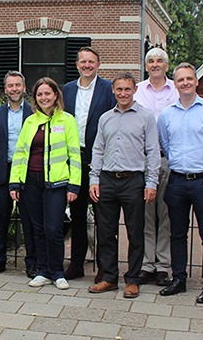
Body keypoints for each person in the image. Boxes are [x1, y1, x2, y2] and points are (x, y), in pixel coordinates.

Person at [158, 63, 203, 304]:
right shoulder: (167, 114)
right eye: (180, 80)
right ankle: (179, 279)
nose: (185, 83)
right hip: (177, 181)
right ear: (175, 84)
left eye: (189, 78)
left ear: (196, 82)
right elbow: (165, 145)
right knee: (177, 233)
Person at [87, 72, 160, 299]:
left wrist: (151, 182)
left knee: (135, 232)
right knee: (106, 232)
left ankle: (133, 279)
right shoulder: (105, 118)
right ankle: (109, 277)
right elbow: (97, 149)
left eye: (127, 89)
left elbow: (153, 151)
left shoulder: (146, 118)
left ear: (135, 90)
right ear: (113, 91)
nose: (123, 93)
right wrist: (94, 179)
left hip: (133, 181)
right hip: (107, 180)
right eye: (119, 89)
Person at [10, 77, 81, 290]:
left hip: (57, 183)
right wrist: (15, 182)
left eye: (47, 93)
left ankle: (58, 272)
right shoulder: (30, 121)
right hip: (31, 182)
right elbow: (20, 153)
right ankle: (43, 271)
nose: (44, 98)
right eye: (39, 94)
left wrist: (74, 185)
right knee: (37, 228)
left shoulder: (67, 120)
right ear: (35, 98)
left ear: (56, 95)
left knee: (54, 229)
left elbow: (74, 154)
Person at [62, 46, 116, 282]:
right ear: (77, 65)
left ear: (98, 65)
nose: (87, 65)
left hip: (100, 159)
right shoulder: (67, 90)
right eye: (83, 62)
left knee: (104, 215)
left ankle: (105, 267)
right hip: (74, 158)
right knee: (77, 214)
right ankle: (76, 264)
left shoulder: (108, 89)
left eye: (91, 62)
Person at [134, 47, 179, 287]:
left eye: (160, 60)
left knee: (166, 216)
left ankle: (163, 267)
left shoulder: (176, 90)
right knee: (145, 216)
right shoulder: (137, 91)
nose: (155, 64)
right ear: (146, 65)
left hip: (167, 160)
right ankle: (146, 265)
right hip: (141, 161)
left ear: (166, 65)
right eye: (151, 61)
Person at [0, 71, 37, 278]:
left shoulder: (34, 112)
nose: (14, 89)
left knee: (29, 219)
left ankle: (32, 263)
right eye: (10, 86)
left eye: (17, 85)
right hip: (3, 170)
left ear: (25, 88)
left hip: (27, 171)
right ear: (5, 89)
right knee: (1, 219)